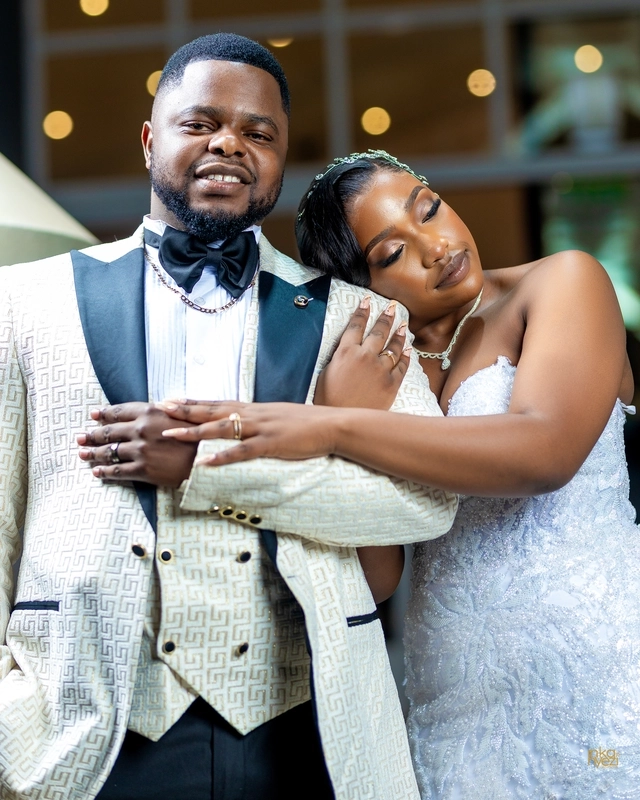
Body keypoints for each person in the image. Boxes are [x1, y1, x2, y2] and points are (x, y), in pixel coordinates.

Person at [0, 44, 458, 800]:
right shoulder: (25, 303)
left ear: (278, 159)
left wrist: (208, 469)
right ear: (152, 140)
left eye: (259, 132)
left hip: (307, 730)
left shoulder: (362, 318)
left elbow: (426, 501)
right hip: (84, 729)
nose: (229, 144)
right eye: (202, 122)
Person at [160, 150, 640, 799]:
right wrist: (339, 409)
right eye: (392, 254)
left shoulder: (560, 283)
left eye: (429, 209)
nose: (437, 246)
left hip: (602, 674)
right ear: (361, 287)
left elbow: (543, 453)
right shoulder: (378, 370)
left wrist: (332, 428)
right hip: (461, 706)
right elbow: (376, 577)